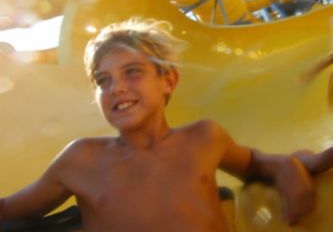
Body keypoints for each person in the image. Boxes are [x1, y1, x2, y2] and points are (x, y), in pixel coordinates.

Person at [0, 18, 321, 231]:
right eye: (103, 80)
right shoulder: (81, 159)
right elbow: (9, 209)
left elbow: (256, 163)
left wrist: (289, 166)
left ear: (168, 81)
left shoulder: (203, 139)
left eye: (133, 72)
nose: (117, 87)